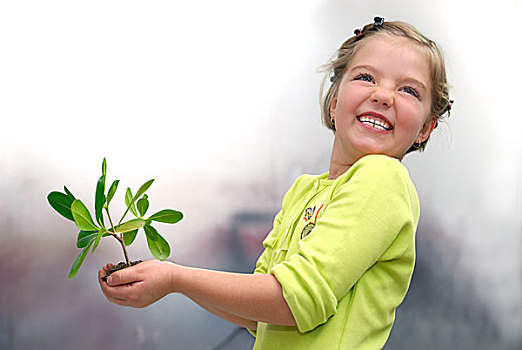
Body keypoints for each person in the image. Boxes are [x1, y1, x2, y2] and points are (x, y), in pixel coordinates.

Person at [99, 17, 452, 349]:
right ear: (333, 102)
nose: (384, 95)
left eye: (409, 90)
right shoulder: (305, 191)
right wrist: (168, 285)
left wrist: (177, 278)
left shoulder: (382, 178)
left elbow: (293, 301)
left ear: (425, 128)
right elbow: (260, 316)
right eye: (365, 78)